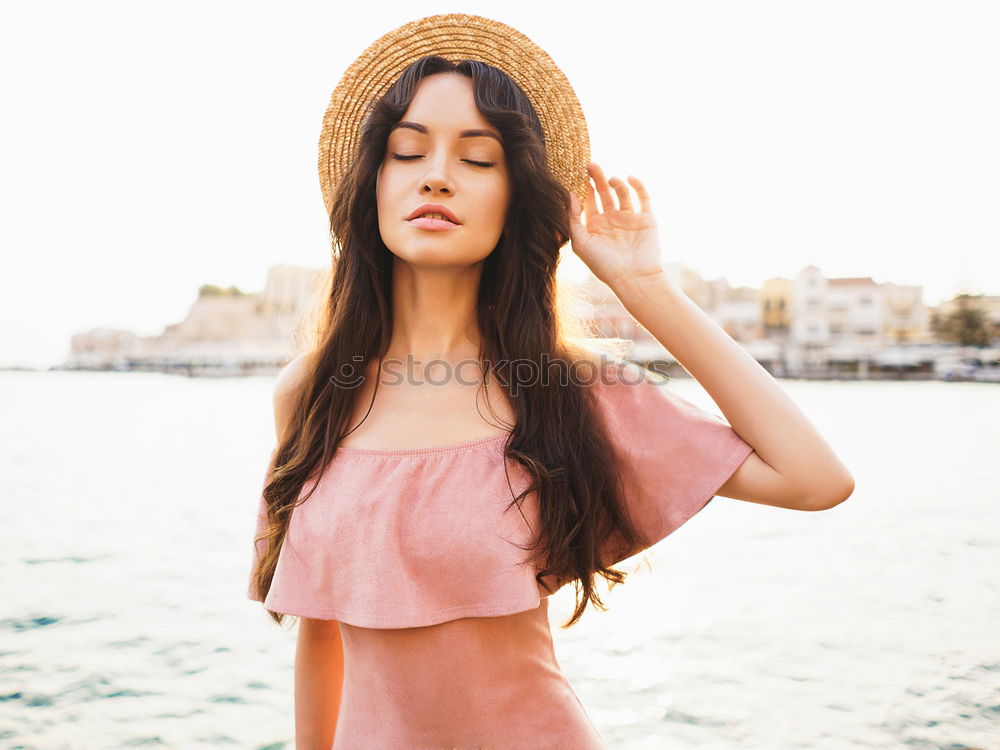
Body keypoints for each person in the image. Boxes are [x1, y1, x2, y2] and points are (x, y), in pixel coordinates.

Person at [247, 13, 855, 749]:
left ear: (516, 199)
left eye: (478, 160)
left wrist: (647, 288)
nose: (437, 174)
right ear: (373, 183)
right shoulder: (312, 391)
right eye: (408, 151)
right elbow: (324, 631)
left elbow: (815, 479)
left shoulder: (567, 388)